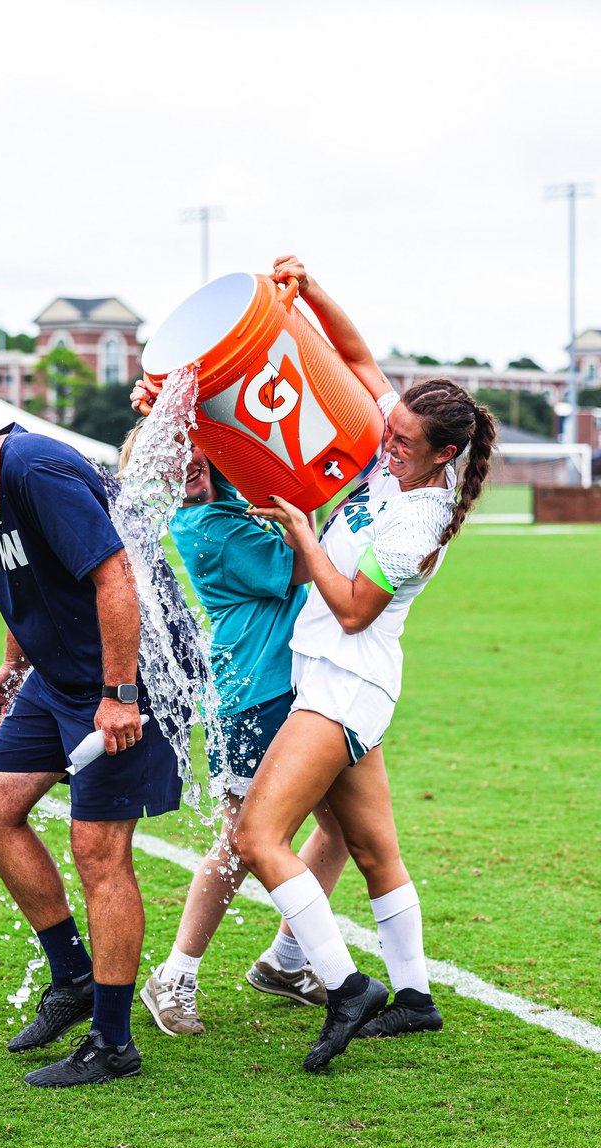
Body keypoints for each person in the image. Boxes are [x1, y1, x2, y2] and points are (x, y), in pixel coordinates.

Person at [229, 255, 496, 1072]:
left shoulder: (421, 522)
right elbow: (353, 355)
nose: (387, 444)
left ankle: (347, 987)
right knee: (374, 849)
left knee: (258, 836)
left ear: (444, 454)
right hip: (347, 684)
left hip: (344, 687)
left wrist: (301, 530)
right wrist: (307, 295)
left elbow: (350, 607)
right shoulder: (403, 443)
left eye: (404, 443)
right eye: (391, 429)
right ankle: (413, 997)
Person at [0, 413, 183, 1088]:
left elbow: (115, 578)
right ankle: (74, 978)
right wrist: (15, 661)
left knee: (98, 851)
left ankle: (113, 1044)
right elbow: (19, 582)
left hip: (124, 679)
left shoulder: (35, 471)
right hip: (55, 681)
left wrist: (120, 693)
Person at [117, 417, 351, 1037]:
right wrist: (307, 490)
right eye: (174, 460)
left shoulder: (229, 501)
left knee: (341, 828)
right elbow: (307, 566)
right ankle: (175, 975)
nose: (189, 463)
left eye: (196, 450)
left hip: (294, 689)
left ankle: (286, 960)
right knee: (242, 840)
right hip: (255, 696)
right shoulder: (209, 528)